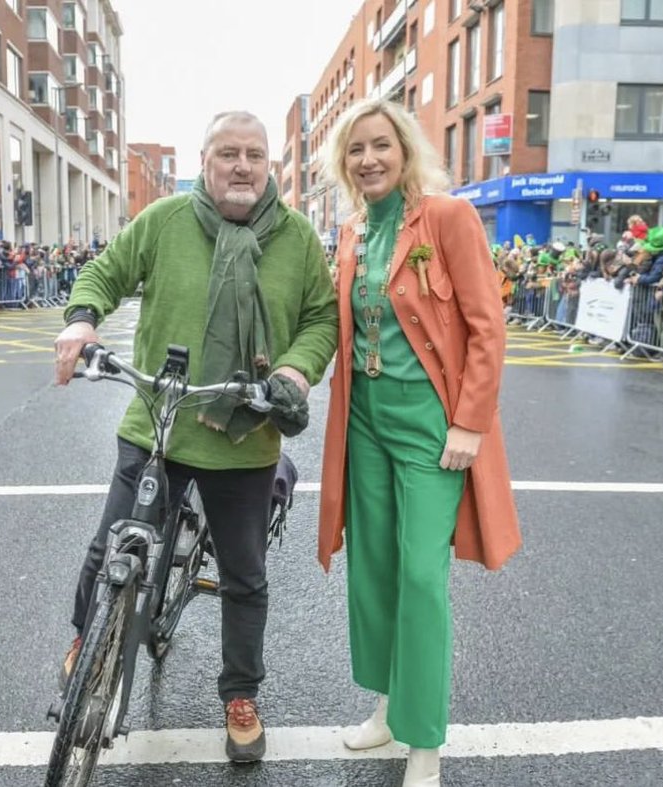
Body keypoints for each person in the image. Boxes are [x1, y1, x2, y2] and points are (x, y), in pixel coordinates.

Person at [53, 110, 338, 763]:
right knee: (108, 548)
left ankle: (240, 694)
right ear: (205, 163)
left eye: (254, 155)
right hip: (158, 421)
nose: (242, 166)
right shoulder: (164, 221)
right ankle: (83, 637)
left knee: (244, 576)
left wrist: (294, 368)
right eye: (228, 153)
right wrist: (81, 322)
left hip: (245, 434)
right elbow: (105, 272)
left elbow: (321, 318)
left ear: (269, 165)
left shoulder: (295, 238)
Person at [315, 98, 521, 787]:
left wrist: (469, 420)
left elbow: (486, 326)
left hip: (431, 425)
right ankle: (384, 705)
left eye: (380, 145)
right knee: (372, 567)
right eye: (355, 150)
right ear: (342, 163)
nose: (368, 159)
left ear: (404, 150)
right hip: (365, 421)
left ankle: (425, 741)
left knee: (422, 578)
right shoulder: (349, 232)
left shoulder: (448, 217)